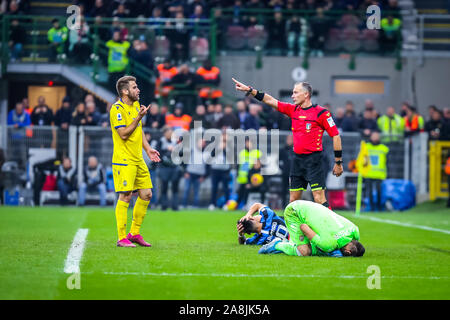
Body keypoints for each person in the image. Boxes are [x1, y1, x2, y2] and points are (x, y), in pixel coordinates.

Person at [232, 78, 343, 208]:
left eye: (296, 92)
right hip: (297, 160)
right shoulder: (293, 110)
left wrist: (338, 162)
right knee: (293, 200)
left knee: (319, 198)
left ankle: (330, 227)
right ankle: (295, 228)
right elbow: (270, 100)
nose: (292, 95)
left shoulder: (322, 113)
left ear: (306, 94)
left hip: (314, 160)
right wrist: (250, 90)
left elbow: (336, 136)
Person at [109, 75, 161, 247]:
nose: (138, 90)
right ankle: (121, 237)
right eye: (134, 87)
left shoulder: (137, 105)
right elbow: (123, 133)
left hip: (138, 158)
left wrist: (148, 149)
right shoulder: (117, 109)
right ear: (125, 91)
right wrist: (138, 117)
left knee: (146, 194)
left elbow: (138, 131)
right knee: (125, 195)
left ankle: (134, 233)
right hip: (124, 160)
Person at [259, 200, 365, 257]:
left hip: (311, 206)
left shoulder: (354, 230)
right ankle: (276, 244)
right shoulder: (328, 244)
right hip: (294, 212)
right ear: (348, 252)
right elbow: (304, 227)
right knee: (304, 252)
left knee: (321, 245)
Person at [157, 126, 182, 211]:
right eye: (168, 132)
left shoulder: (176, 141)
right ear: (164, 133)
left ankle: (175, 206)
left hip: (174, 167)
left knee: (175, 187)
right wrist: (166, 151)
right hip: (164, 167)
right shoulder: (161, 141)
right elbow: (158, 153)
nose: (170, 134)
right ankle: (164, 205)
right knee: (164, 186)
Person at [363, 131, 389, 211]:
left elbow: (387, 161)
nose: (375, 138)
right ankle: (371, 207)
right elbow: (362, 159)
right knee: (369, 192)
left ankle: (379, 207)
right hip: (368, 173)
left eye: (376, 136)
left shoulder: (384, 148)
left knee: (379, 192)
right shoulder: (366, 146)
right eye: (373, 136)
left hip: (379, 174)